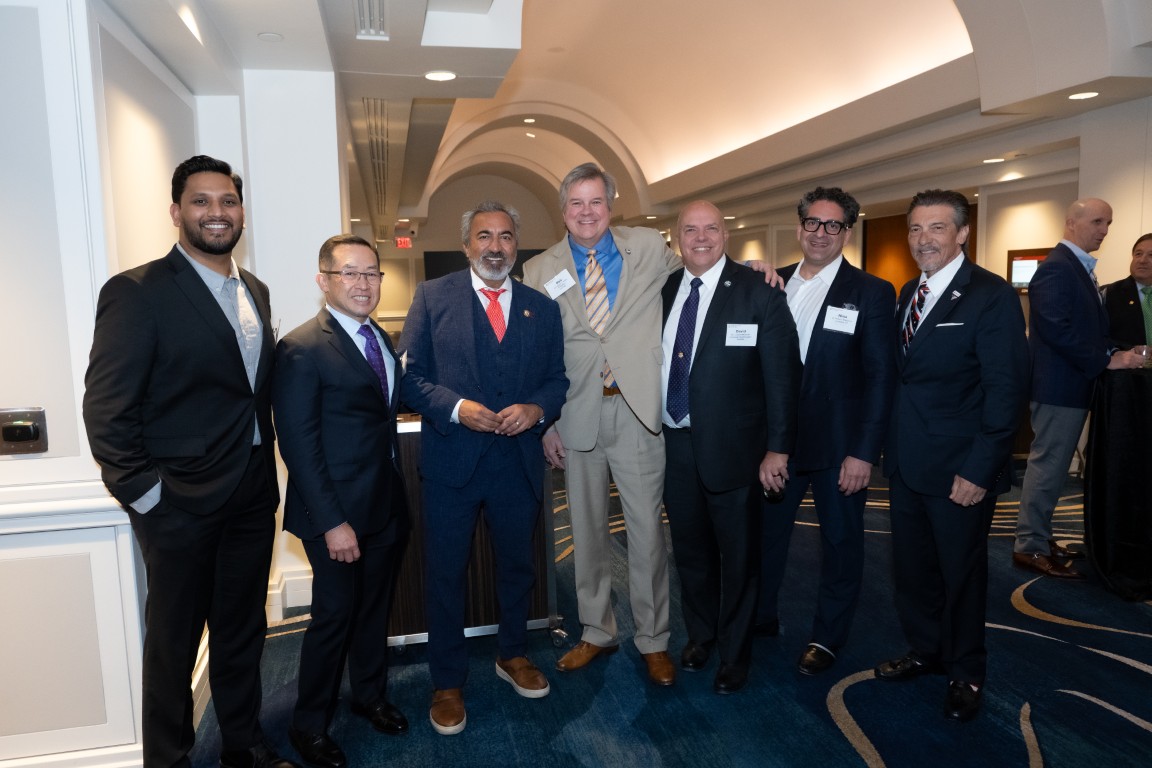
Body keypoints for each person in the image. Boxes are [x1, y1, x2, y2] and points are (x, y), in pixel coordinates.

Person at [83, 156, 298, 768]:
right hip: (177, 502)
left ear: (241, 213)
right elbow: (106, 408)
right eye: (201, 201)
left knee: (243, 630)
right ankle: (169, 760)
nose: (216, 212)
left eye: (228, 201)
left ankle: (243, 745)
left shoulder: (254, 290)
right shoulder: (137, 291)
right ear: (176, 212)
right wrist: (147, 496)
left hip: (251, 495)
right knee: (174, 646)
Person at [399, 201, 568, 735]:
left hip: (517, 464)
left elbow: (558, 380)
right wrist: (456, 408)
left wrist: (537, 409)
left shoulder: (542, 308)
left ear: (516, 244)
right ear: (467, 244)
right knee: (446, 573)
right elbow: (409, 378)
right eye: (485, 236)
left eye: (506, 236)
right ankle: (447, 681)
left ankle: (512, 654)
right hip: (452, 464)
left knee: (518, 568)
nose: (496, 246)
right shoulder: (432, 297)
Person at [521, 163, 681, 686]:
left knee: (647, 532)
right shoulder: (539, 270)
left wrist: (758, 270)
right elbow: (535, 354)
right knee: (586, 531)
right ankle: (597, 630)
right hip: (576, 412)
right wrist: (546, 423)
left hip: (637, 411)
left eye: (595, 202)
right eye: (576, 203)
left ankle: (654, 639)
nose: (586, 212)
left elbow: (701, 271)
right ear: (563, 211)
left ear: (611, 207)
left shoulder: (649, 248)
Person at [874, 189, 1029, 723]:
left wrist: (980, 469)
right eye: (916, 228)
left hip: (961, 470)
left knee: (961, 576)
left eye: (937, 228)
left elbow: (1006, 391)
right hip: (906, 463)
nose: (924, 239)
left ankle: (966, 671)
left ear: (962, 233)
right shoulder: (907, 292)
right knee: (913, 571)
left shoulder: (991, 295)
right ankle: (926, 650)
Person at [273, 235, 409, 768]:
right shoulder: (302, 348)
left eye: (372, 273)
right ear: (324, 280)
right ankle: (309, 725)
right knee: (334, 618)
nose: (363, 283)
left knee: (373, 611)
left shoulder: (380, 338)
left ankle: (369, 695)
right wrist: (333, 523)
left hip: (384, 505)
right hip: (335, 515)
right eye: (349, 272)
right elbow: (298, 445)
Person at [661, 201, 801, 694]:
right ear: (677, 238)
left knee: (739, 559)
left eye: (711, 229)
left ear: (726, 234)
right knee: (691, 554)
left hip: (738, 452)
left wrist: (778, 451)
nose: (701, 238)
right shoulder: (664, 289)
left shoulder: (758, 290)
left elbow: (783, 379)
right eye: (690, 230)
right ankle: (701, 637)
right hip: (675, 446)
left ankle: (735, 654)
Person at [757, 187, 896, 675]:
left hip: (840, 448)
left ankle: (827, 637)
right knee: (766, 537)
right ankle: (761, 616)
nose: (820, 233)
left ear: (847, 233)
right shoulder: (771, 283)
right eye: (812, 223)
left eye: (833, 225)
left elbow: (881, 378)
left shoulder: (871, 292)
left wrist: (864, 452)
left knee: (840, 544)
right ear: (799, 227)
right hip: (778, 445)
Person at [1012, 199, 1146, 579]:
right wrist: (1106, 360)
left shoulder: (1076, 267)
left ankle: (1039, 536)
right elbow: (1057, 329)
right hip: (1059, 387)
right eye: (1098, 221)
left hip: (1070, 384)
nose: (1104, 230)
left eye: (1109, 223)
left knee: (1054, 469)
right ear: (1071, 223)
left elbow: (1086, 330)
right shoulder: (1057, 267)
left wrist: (1116, 351)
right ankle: (1029, 546)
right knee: (1048, 467)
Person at [1102, 232, 1152, 349]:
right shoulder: (1108, 294)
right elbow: (1098, 336)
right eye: (1138, 254)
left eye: (1151, 255)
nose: (1142, 260)